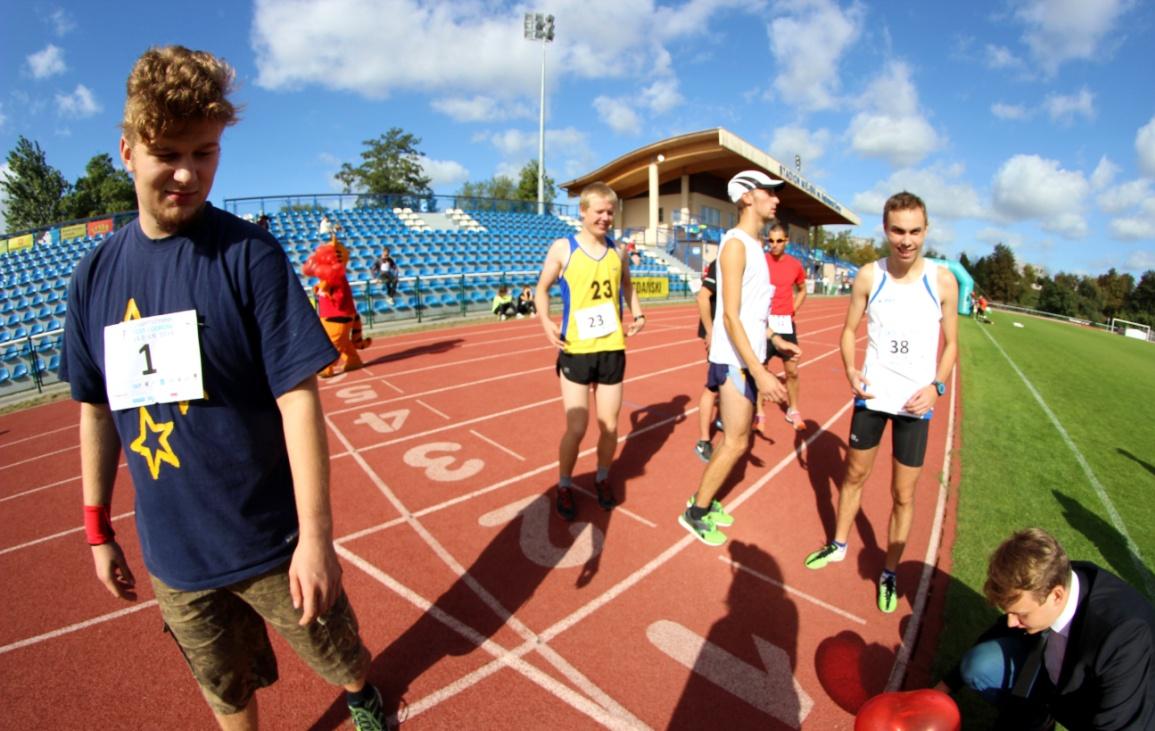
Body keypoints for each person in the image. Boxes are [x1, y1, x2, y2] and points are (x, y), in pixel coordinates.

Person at [58, 46, 386, 731]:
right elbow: (95, 407)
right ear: (127, 150)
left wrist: (317, 538)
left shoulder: (249, 256)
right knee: (225, 692)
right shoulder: (92, 277)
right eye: (167, 152)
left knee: (339, 653)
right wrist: (96, 528)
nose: (187, 173)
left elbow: (300, 396)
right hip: (175, 557)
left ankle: (362, 695)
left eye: (204, 153)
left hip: (271, 542)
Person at [803, 191, 958, 614]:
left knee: (903, 495)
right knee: (853, 476)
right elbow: (849, 331)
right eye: (897, 231)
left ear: (926, 231)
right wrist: (852, 372)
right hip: (872, 399)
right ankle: (837, 543)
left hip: (914, 405)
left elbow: (951, 347)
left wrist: (937, 387)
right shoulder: (870, 276)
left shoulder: (942, 281)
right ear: (885, 230)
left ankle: (889, 571)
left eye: (914, 231)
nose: (905, 240)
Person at [941, 528, 1155, 730]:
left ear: (1057, 596)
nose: (1011, 622)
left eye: (1022, 614)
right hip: (1056, 681)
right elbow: (1001, 630)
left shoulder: (1123, 638)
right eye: (1009, 613)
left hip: (1110, 710)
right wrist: (944, 688)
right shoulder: (1051, 579)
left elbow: (1119, 725)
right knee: (980, 665)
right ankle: (1037, 719)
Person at [679, 170, 794, 546]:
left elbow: (750, 315)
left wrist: (776, 338)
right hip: (734, 361)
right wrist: (760, 372)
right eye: (769, 192)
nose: (776, 199)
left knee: (738, 440)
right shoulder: (735, 245)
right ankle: (695, 511)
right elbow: (728, 315)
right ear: (747, 197)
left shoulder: (755, 246)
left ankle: (705, 503)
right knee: (734, 443)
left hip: (746, 358)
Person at [535, 181, 645, 520]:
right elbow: (541, 289)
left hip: (612, 347)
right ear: (583, 212)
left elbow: (627, 284)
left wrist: (638, 312)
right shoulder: (563, 248)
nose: (606, 218)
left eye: (610, 212)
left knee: (610, 426)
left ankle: (600, 477)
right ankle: (564, 484)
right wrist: (546, 322)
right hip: (576, 349)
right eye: (599, 211)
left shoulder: (617, 252)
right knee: (578, 427)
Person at [754, 222, 807, 434]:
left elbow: (802, 289)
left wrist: (793, 308)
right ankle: (759, 411)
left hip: (785, 323)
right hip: (763, 323)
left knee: (792, 370)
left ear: (787, 241)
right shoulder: (760, 262)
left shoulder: (795, 265)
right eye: (771, 241)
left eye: (779, 241)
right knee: (761, 369)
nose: (774, 245)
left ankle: (793, 409)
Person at [304, 235, 364, 377]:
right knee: (343, 341)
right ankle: (353, 360)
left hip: (338, 315)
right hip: (330, 316)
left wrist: (327, 291)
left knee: (334, 342)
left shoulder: (337, 276)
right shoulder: (328, 277)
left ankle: (327, 366)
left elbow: (340, 297)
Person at [693, 256, 721, 463]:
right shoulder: (721, 261)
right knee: (713, 385)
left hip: (734, 331)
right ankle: (704, 440)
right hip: (719, 333)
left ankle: (724, 419)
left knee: (725, 382)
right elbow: (702, 297)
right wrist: (710, 332)